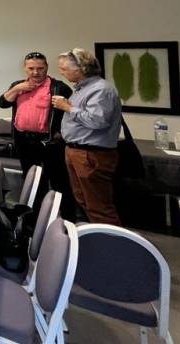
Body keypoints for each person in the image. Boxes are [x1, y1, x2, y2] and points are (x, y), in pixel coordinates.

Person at [0, 51, 74, 218]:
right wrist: (17, 89)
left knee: (59, 182)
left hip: (49, 143)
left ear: (46, 67)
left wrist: (62, 132)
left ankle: (66, 219)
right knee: (32, 181)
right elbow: (2, 103)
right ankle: (34, 218)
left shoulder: (58, 87)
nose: (35, 72)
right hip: (24, 141)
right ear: (25, 68)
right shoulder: (18, 86)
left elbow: (72, 112)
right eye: (31, 68)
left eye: (40, 68)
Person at [52, 48, 122, 226]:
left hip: (91, 154)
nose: (61, 72)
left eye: (64, 69)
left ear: (80, 69)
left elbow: (98, 121)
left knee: (99, 206)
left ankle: (111, 241)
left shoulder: (101, 89)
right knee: (85, 201)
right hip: (77, 152)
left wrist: (67, 107)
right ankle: (98, 236)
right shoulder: (81, 89)